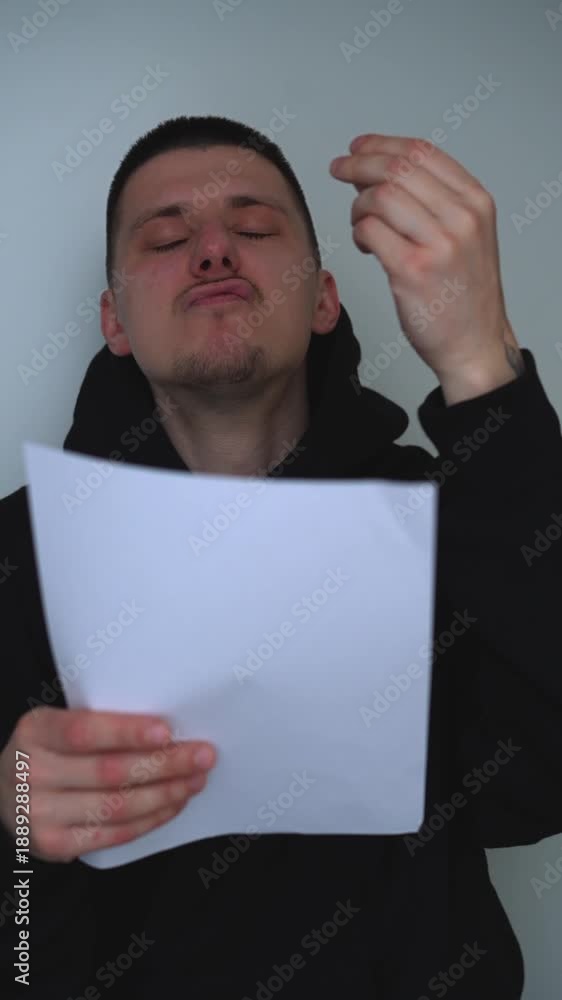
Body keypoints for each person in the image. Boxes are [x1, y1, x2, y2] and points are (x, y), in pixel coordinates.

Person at [0, 114, 561, 999]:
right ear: (115, 321)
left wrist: (480, 366)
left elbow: (539, 785)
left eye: (255, 228)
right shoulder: (15, 552)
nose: (214, 249)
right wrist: (13, 821)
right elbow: (22, 953)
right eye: (167, 238)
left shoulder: (460, 518)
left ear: (325, 300)